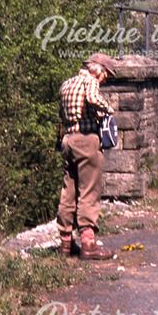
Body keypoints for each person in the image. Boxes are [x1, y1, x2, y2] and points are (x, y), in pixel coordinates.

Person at [56, 53, 117, 260]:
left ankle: (65, 243)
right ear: (97, 69)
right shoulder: (90, 82)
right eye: (106, 74)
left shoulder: (66, 84)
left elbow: (61, 115)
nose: (105, 79)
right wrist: (109, 111)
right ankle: (88, 244)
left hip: (68, 140)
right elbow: (92, 98)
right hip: (86, 140)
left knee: (68, 192)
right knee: (89, 191)